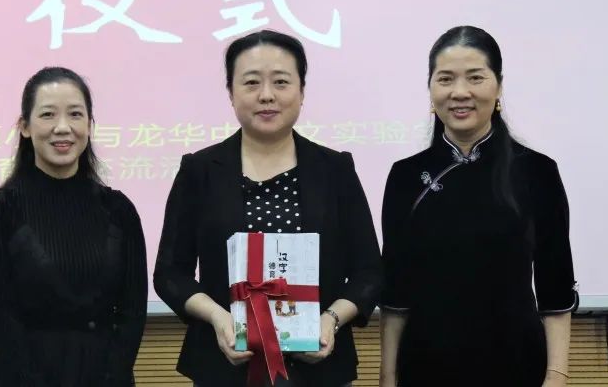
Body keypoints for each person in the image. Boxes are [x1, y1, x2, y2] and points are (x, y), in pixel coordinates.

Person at [154, 30, 383, 386]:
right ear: (231, 93)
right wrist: (218, 317)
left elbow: (369, 271)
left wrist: (331, 320)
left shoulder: (335, 169)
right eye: (251, 82)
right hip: (224, 367)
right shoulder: (199, 170)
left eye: (281, 82)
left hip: (320, 369)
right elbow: (170, 273)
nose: (266, 95)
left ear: (302, 91)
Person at [379, 26, 577, 387]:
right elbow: (396, 297)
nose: (460, 92)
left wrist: (556, 376)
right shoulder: (406, 176)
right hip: (425, 366)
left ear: (498, 86)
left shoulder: (537, 172)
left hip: (517, 364)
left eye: (475, 77)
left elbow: (556, 288)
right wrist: (388, 379)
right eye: (445, 79)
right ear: (430, 89)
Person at [0, 67, 147, 386]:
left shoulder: (119, 209)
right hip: (24, 378)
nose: (63, 127)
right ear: (25, 127)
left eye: (75, 114)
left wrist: (113, 375)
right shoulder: (1, 210)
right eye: (48, 115)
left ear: (90, 125)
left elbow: (132, 311)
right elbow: (1, 314)